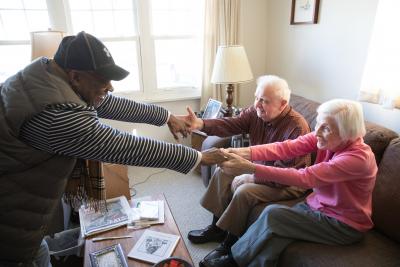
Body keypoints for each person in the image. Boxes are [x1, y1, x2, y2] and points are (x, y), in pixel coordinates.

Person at [0, 31, 225, 267]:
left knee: (37, 250)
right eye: (103, 80)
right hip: (9, 226)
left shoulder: (47, 77)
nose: (110, 87)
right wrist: (198, 157)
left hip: (21, 218)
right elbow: (124, 146)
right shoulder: (55, 113)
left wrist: (166, 116)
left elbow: (109, 103)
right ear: (76, 76)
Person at [202, 99, 378, 267]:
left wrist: (250, 168)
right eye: (318, 124)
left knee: (273, 215)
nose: (316, 132)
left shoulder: (358, 159)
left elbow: (304, 177)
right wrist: (241, 152)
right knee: (277, 235)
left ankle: (233, 260)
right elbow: (285, 148)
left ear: (346, 132)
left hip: (343, 224)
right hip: (317, 205)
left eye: (326, 128)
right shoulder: (328, 139)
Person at [178, 75, 311, 263]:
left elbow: (286, 176)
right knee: (224, 169)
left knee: (244, 191)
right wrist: (201, 124)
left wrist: (253, 178)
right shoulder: (256, 112)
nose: (257, 104)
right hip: (259, 168)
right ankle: (217, 228)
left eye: (264, 101)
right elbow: (232, 124)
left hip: (287, 182)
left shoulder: (296, 128)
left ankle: (229, 243)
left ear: (282, 104)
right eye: (257, 98)